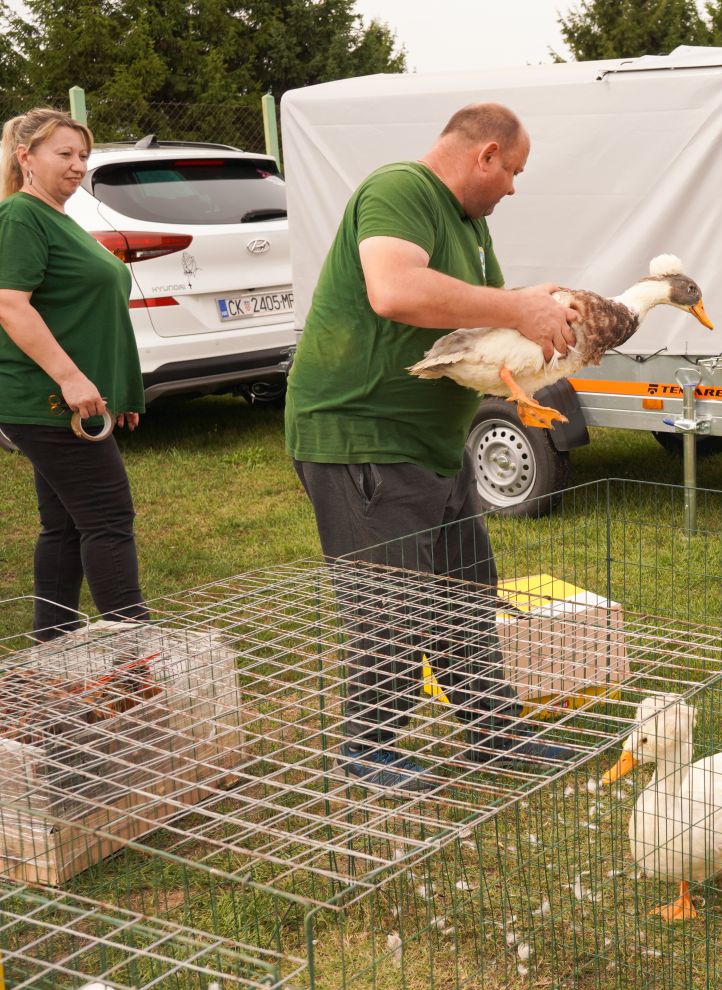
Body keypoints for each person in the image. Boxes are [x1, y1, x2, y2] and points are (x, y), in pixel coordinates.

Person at [285, 102, 579, 790]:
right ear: (485, 153)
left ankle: (495, 734)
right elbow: (393, 289)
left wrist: (521, 302)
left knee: (467, 594)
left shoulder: (468, 225)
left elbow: (465, 306)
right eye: (512, 171)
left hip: (428, 442)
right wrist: (515, 308)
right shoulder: (401, 189)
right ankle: (367, 748)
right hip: (362, 436)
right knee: (391, 603)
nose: (513, 188)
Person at [0, 107, 148, 641]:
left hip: (75, 402)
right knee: (108, 520)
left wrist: (117, 387)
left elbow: (89, 313)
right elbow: (11, 306)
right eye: (64, 153)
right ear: (26, 158)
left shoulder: (58, 217)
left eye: (83, 155)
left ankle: (52, 648)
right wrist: (71, 379)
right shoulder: (20, 216)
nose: (77, 165)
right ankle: (135, 656)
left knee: (63, 526)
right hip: (49, 402)